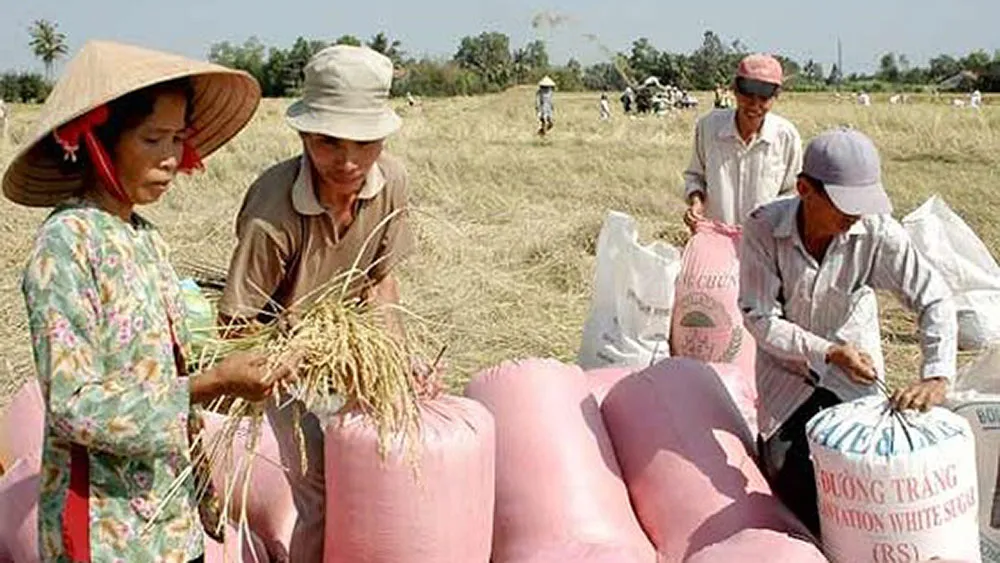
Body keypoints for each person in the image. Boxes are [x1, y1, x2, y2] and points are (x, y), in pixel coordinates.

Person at [3, 40, 293, 561]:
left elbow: (163, 366)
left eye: (178, 138)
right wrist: (211, 384)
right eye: (152, 138)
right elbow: (74, 406)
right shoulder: (66, 246)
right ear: (99, 143)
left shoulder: (146, 239)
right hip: (107, 531)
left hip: (172, 522)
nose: (171, 158)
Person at [216, 44, 417, 562]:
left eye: (364, 143)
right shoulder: (272, 209)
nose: (348, 162)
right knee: (322, 495)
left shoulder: (392, 183)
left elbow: (380, 282)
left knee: (382, 472)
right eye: (329, 142)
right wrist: (295, 357)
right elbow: (236, 324)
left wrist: (396, 362)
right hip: (281, 363)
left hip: (356, 350)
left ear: (383, 138)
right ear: (304, 134)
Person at [739, 127, 957, 535]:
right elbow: (760, 318)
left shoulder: (876, 232)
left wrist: (937, 375)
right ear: (805, 190)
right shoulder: (764, 228)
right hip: (788, 378)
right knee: (790, 478)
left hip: (854, 378)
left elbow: (935, 298)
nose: (855, 216)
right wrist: (828, 352)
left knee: (868, 475)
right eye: (845, 205)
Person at [683, 53, 803, 229]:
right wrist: (696, 202)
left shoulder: (786, 137)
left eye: (763, 97)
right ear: (735, 91)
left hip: (765, 238)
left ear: (776, 96)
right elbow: (695, 176)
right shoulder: (708, 127)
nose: (754, 104)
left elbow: (792, 192)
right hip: (715, 233)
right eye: (748, 95)